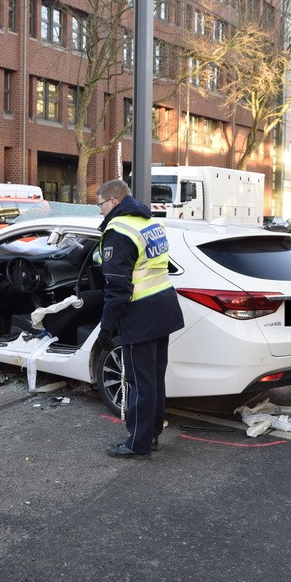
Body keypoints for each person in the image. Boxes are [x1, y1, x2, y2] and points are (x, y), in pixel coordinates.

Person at [94, 179, 184, 459]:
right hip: (163, 305)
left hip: (140, 313)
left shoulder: (118, 229)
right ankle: (151, 435)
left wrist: (106, 329)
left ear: (113, 202)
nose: (100, 212)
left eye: (100, 205)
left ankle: (138, 443)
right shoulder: (149, 221)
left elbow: (118, 288)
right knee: (154, 380)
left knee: (139, 382)